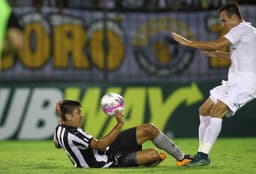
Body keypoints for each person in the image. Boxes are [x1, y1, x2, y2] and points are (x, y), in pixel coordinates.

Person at [171, 3, 256, 167]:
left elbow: (217, 43)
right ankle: (201, 154)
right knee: (204, 109)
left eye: (224, 21)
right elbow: (239, 57)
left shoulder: (240, 30)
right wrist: (217, 55)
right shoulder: (250, 32)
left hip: (246, 83)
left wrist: (188, 43)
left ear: (234, 17)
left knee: (217, 111)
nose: (223, 24)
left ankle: (203, 156)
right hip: (234, 82)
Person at [53, 100, 192, 168]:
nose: (81, 116)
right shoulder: (73, 134)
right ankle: (146, 161)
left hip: (108, 148)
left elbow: (58, 144)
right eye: (78, 113)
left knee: (149, 129)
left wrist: (60, 114)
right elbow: (100, 146)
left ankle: (182, 158)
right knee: (153, 154)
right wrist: (119, 125)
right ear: (69, 117)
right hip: (106, 162)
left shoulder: (60, 129)